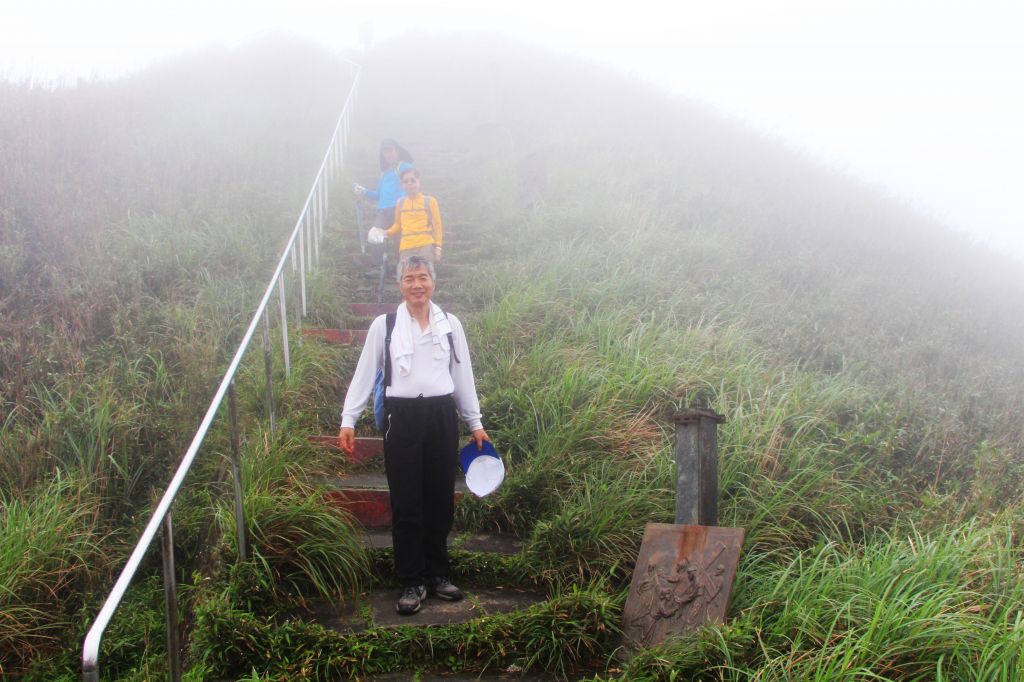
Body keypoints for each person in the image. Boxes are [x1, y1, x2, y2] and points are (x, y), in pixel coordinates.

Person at [337, 256, 490, 616]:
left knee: (439, 498)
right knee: (406, 501)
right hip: (401, 419)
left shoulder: (450, 325)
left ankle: (438, 574)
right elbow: (364, 373)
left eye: (422, 277)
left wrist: (475, 422)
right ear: (400, 285)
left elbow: (462, 375)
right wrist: (349, 419)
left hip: (440, 416)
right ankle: (411, 580)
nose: (416, 284)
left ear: (433, 282)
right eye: (409, 278)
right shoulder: (384, 325)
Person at [372, 168, 443, 274]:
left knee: (425, 277)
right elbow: (397, 225)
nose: (409, 183)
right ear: (402, 185)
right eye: (406, 181)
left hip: (425, 246)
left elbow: (437, 225)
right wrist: (385, 232)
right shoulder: (400, 203)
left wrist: (438, 247)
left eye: (412, 180)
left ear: (419, 182)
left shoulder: (430, 201)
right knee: (407, 279)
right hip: (406, 247)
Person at [354, 138, 414, 242]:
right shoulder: (383, 174)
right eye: (385, 152)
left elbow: (412, 184)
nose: (388, 154)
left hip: (399, 209)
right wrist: (364, 191)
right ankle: (381, 258)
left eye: (390, 150)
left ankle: (399, 257)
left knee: (399, 242)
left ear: (397, 151)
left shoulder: (405, 167)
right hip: (383, 211)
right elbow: (378, 195)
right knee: (374, 238)